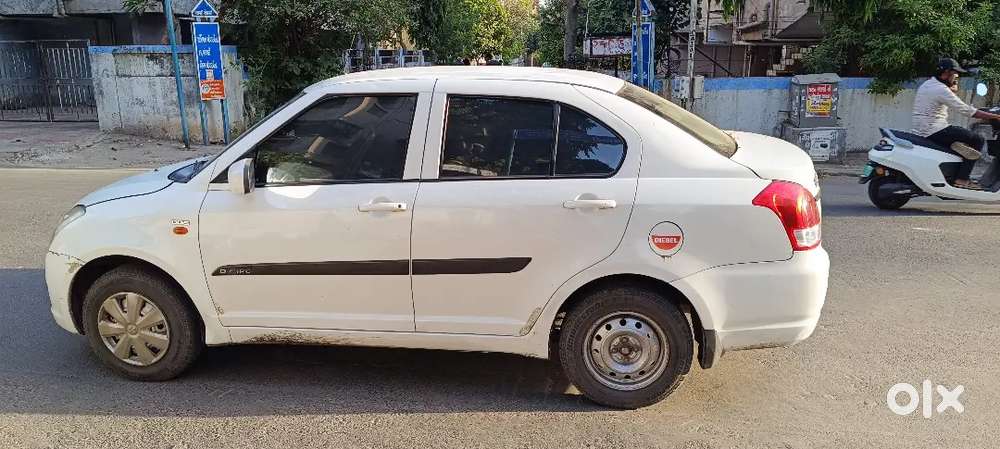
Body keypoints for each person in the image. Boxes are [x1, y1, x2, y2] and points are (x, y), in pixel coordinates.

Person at [912, 58, 1000, 189]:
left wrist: (953, 84)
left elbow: (953, 91)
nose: (957, 76)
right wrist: (996, 116)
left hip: (923, 128)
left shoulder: (928, 84)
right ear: (947, 72)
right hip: (935, 129)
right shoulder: (941, 90)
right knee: (978, 139)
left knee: (963, 138)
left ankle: (956, 157)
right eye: (955, 73)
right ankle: (962, 179)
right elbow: (967, 111)